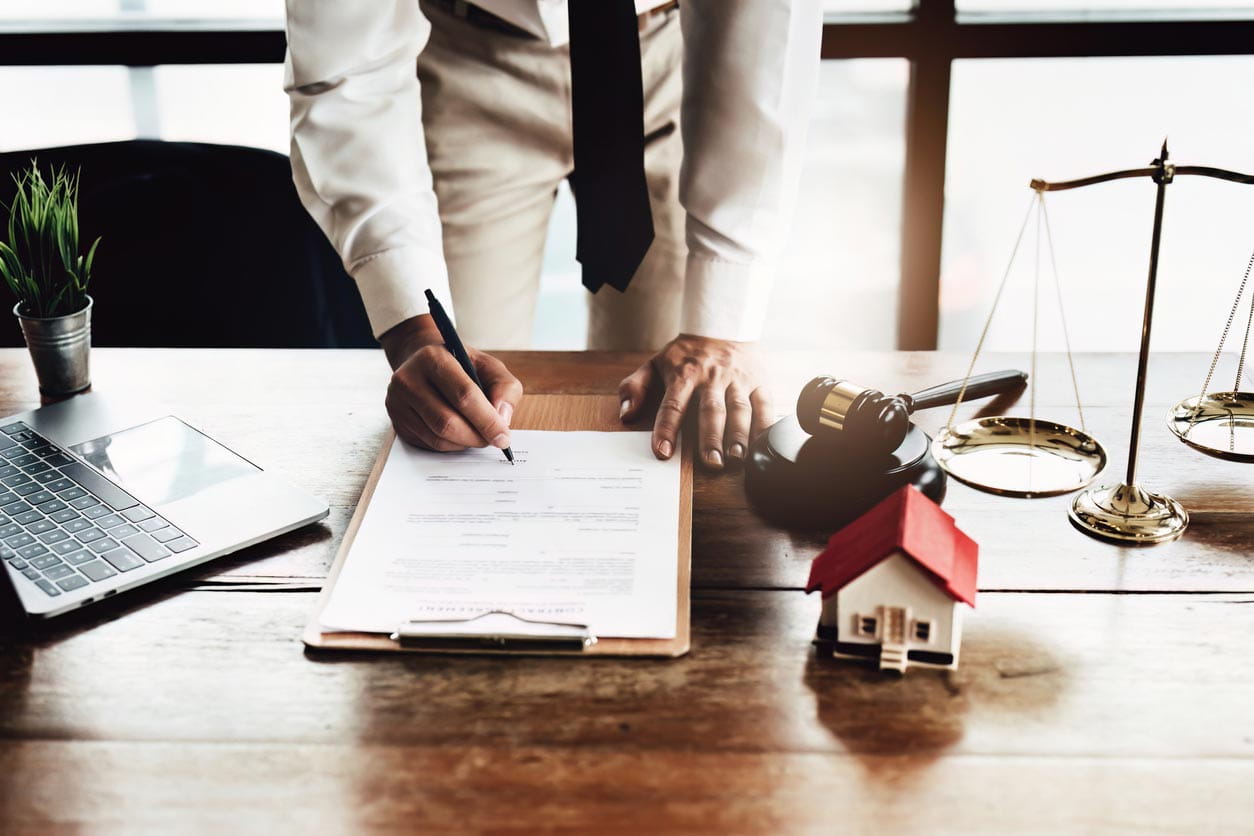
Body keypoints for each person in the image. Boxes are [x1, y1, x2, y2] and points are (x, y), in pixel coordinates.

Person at [284, 0, 821, 469]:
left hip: (674, 57)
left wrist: (720, 326)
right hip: (467, 55)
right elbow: (345, 69)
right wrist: (409, 329)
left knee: (680, 410)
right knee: (451, 403)